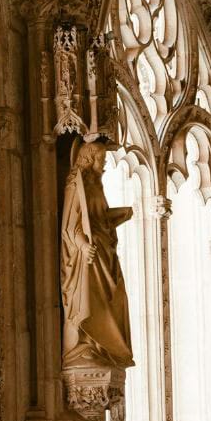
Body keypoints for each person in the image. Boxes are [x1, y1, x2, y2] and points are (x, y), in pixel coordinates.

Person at [60, 139, 133, 368]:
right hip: (88, 257)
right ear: (90, 158)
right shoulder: (76, 185)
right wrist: (82, 245)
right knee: (89, 302)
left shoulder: (96, 186)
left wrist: (120, 214)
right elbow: (71, 226)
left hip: (104, 252)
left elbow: (98, 219)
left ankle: (104, 349)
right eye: (102, 159)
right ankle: (85, 345)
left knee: (115, 299)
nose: (105, 164)